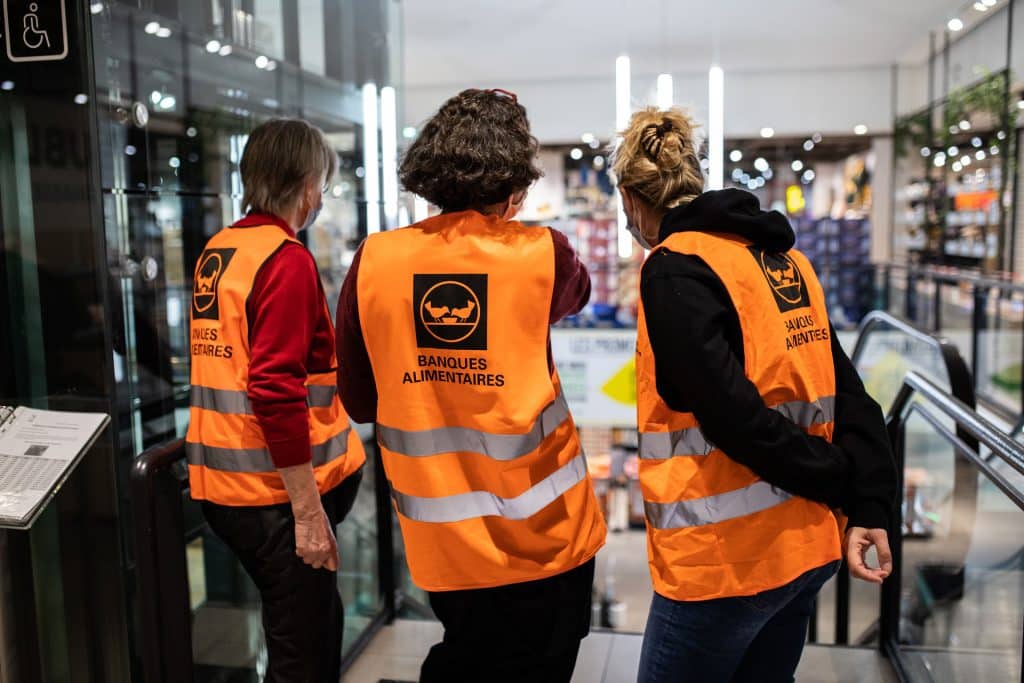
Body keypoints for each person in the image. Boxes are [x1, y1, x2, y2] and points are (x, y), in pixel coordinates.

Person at [612, 107, 898, 683]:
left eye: (626, 214)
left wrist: (832, 474)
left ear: (633, 200)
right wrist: (869, 500)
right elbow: (845, 387)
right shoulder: (782, 260)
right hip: (807, 543)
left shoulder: (674, 268)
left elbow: (728, 413)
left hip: (725, 557)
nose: (627, 227)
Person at [335, 88, 607, 683]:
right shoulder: (543, 254)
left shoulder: (375, 260)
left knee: (468, 652)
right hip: (545, 535)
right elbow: (579, 294)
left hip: (443, 540)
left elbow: (358, 398)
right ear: (514, 185)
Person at [185, 118, 366, 682]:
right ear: (308, 184)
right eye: (323, 185)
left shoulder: (221, 250)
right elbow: (272, 385)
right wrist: (309, 513)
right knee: (300, 656)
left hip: (226, 483)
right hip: (275, 495)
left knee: (310, 626)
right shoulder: (284, 259)